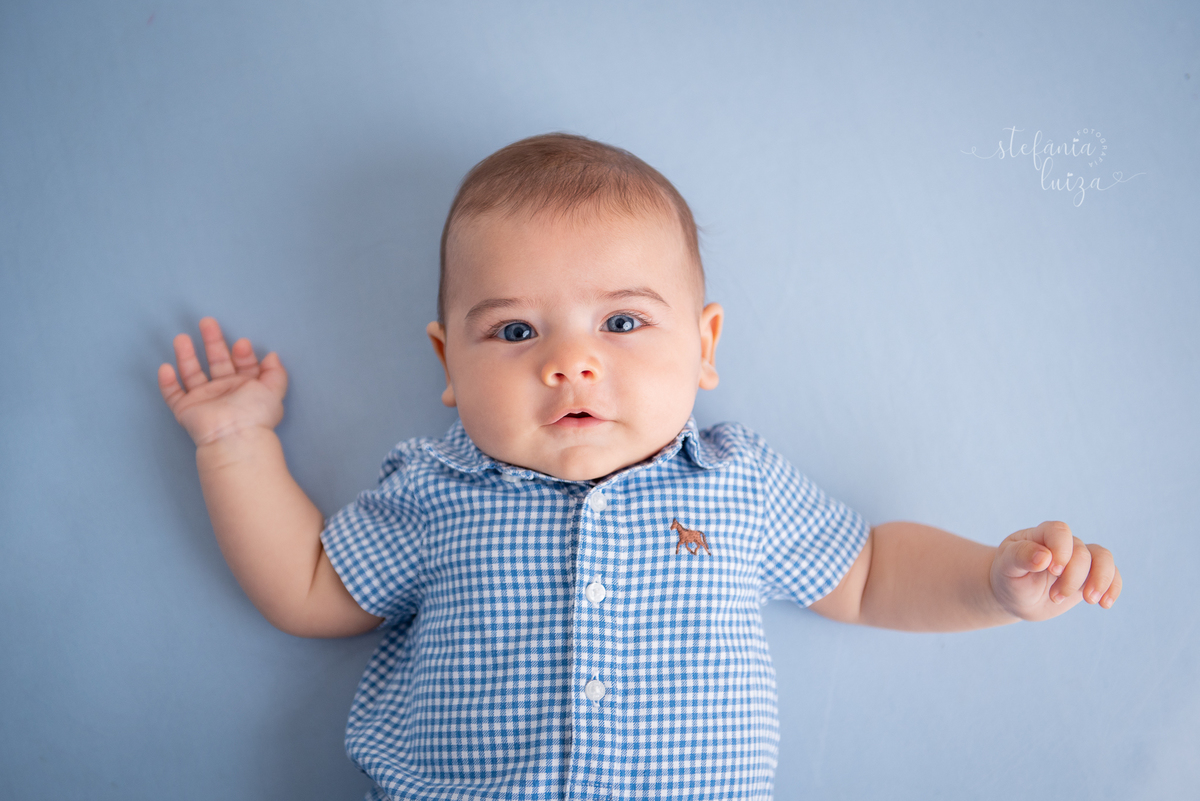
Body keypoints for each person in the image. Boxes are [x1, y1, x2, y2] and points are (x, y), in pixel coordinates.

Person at [157, 133, 1122, 800]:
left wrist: (992, 581)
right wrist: (235, 442)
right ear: (448, 363)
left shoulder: (734, 480)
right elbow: (309, 586)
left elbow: (869, 572)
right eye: (515, 330)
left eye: (622, 321)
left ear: (705, 346)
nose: (571, 362)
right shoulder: (439, 490)